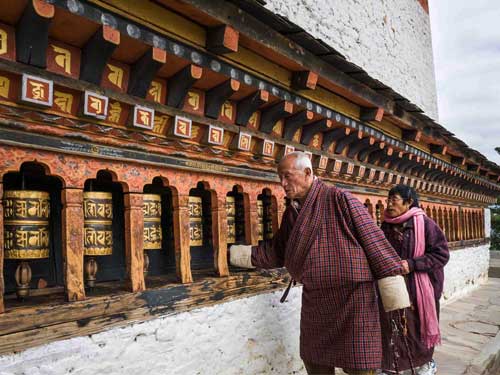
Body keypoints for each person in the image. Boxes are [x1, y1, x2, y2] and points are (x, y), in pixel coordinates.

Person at [229, 152, 407, 375]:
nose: (283, 184)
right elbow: (276, 252)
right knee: (314, 360)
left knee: (360, 365)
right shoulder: (292, 213)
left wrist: (394, 294)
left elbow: (373, 240)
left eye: (287, 176)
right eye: (280, 178)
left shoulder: (340, 198)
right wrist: (233, 255)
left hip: (353, 298)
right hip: (316, 298)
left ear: (307, 173)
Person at [379, 185, 449, 375]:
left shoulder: (425, 225)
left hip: (420, 290)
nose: (389, 203)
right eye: (388, 199)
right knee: (394, 327)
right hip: (394, 287)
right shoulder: (385, 225)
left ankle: (426, 363)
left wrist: (412, 264)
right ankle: (393, 367)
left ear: (409, 202)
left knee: (418, 330)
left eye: (394, 199)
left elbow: (441, 255)